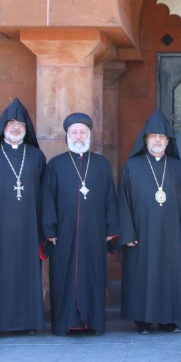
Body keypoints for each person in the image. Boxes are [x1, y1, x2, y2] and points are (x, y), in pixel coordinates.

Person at [41, 112, 120, 336]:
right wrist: (50, 229)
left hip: (94, 233)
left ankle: (93, 322)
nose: (78, 136)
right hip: (63, 234)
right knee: (63, 277)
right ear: (67, 136)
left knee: (93, 275)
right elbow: (47, 198)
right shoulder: (55, 165)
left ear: (89, 135)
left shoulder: (101, 164)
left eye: (82, 132)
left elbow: (109, 198)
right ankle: (66, 322)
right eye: (74, 132)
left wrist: (111, 229)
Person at [0, 98, 47, 338]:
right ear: (3, 127)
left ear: (27, 129)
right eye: (12, 123)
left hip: (29, 228)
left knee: (27, 272)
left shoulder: (36, 156)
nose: (17, 128)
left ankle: (28, 322)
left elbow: (44, 194)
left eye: (21, 124)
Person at [117, 110, 181, 334]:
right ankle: (143, 321)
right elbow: (124, 201)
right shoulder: (132, 166)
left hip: (170, 235)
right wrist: (127, 233)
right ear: (146, 139)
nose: (158, 140)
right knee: (142, 275)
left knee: (169, 275)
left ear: (168, 141)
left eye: (162, 137)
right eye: (153, 136)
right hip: (141, 233)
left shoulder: (179, 168)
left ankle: (168, 320)